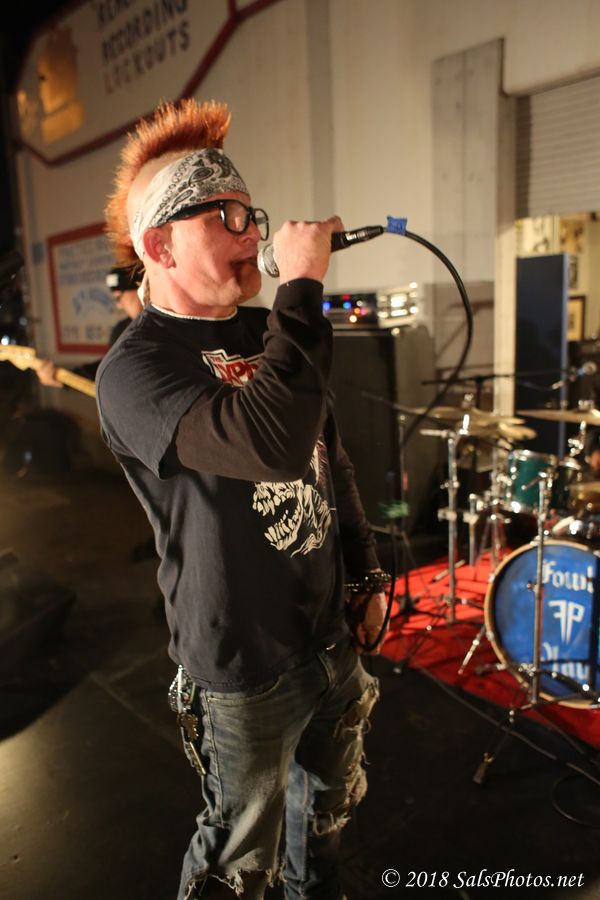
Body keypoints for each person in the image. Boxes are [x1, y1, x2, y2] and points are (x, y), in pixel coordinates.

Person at [96, 98, 388, 900]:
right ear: (159, 245)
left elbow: (328, 457)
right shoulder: (135, 369)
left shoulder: (268, 331)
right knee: (236, 858)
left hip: (328, 637)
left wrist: (365, 569)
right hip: (242, 668)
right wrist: (303, 284)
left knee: (324, 818)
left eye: (249, 213)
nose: (251, 233)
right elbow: (271, 442)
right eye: (222, 216)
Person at [36, 264, 143, 388]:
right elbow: (107, 370)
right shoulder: (121, 331)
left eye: (119, 297)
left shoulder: (160, 320)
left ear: (140, 287)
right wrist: (61, 378)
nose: (119, 305)